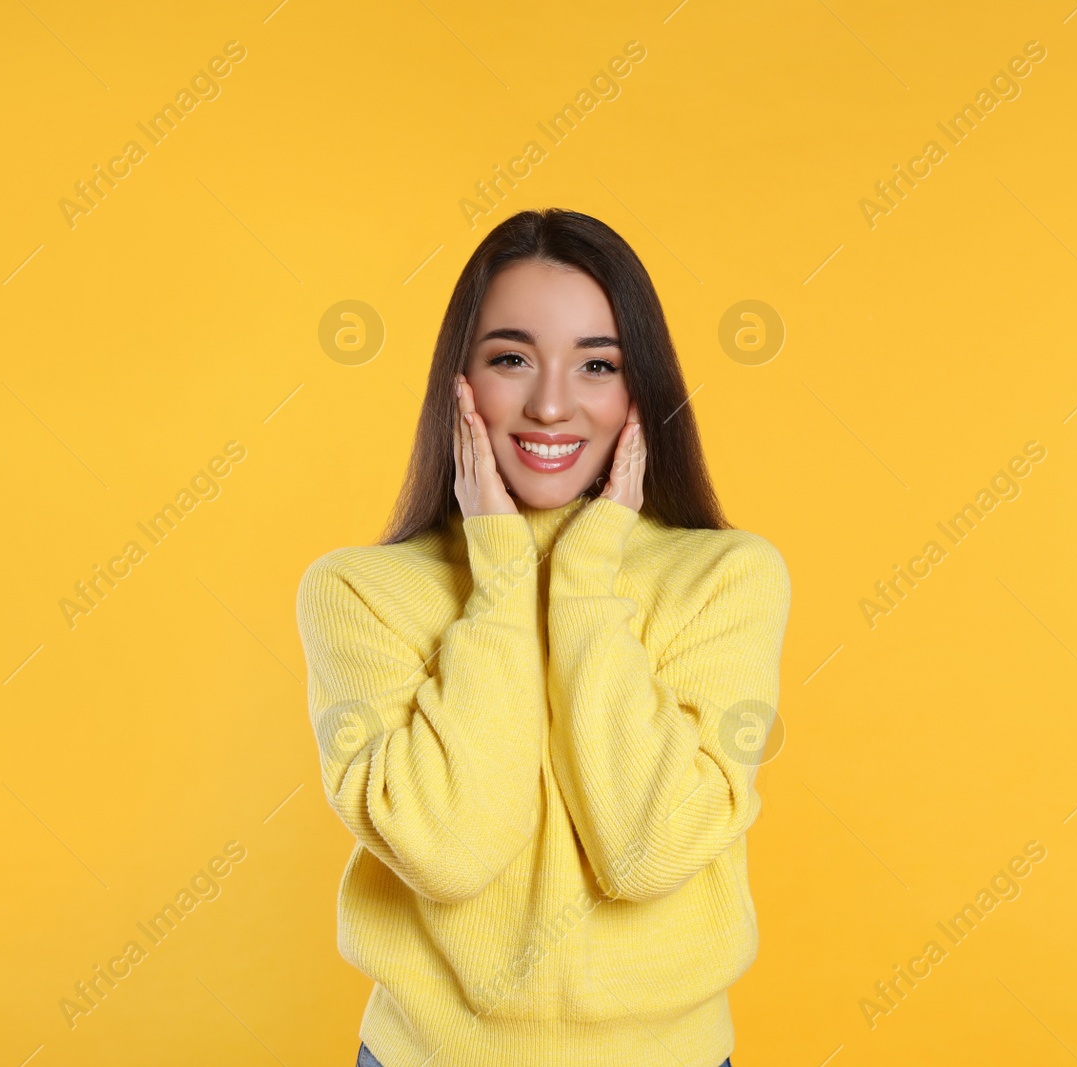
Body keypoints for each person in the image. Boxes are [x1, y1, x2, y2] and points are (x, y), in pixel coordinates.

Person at [297, 208, 790, 1067]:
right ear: (460, 382)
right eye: (511, 358)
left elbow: (649, 851)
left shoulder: (726, 579)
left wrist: (586, 573)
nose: (553, 402)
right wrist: (500, 575)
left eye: (598, 364)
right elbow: (449, 852)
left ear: (642, 392)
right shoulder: (359, 593)